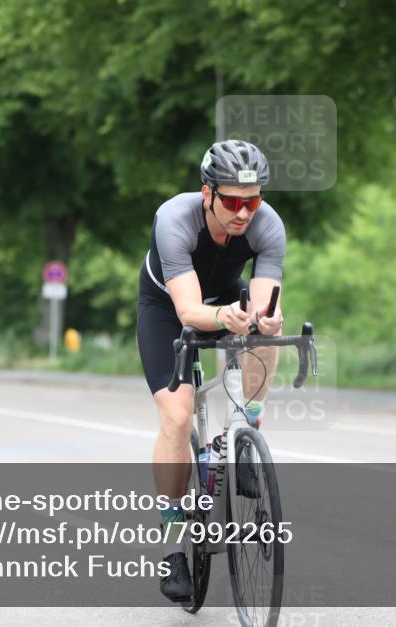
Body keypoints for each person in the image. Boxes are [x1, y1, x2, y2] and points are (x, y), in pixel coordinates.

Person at [136, 139, 285, 603]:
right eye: (234, 201)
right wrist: (223, 319)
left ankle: (244, 429)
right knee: (178, 419)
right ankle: (172, 544)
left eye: (253, 200)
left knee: (265, 336)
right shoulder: (175, 219)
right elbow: (188, 310)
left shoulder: (268, 224)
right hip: (167, 307)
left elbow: (263, 300)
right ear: (208, 194)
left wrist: (265, 320)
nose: (244, 213)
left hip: (224, 295)